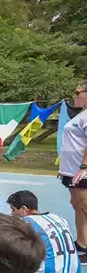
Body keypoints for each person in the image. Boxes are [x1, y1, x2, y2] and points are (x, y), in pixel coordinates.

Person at [8, 190, 81, 273]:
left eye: (13, 209)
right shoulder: (59, 218)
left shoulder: (26, 222)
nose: (11, 214)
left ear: (23, 208)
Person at [59, 81, 87, 263]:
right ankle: (82, 244)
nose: (74, 96)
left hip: (81, 170)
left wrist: (84, 166)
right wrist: (62, 168)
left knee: (85, 206)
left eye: (78, 92)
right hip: (69, 170)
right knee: (77, 205)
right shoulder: (81, 115)